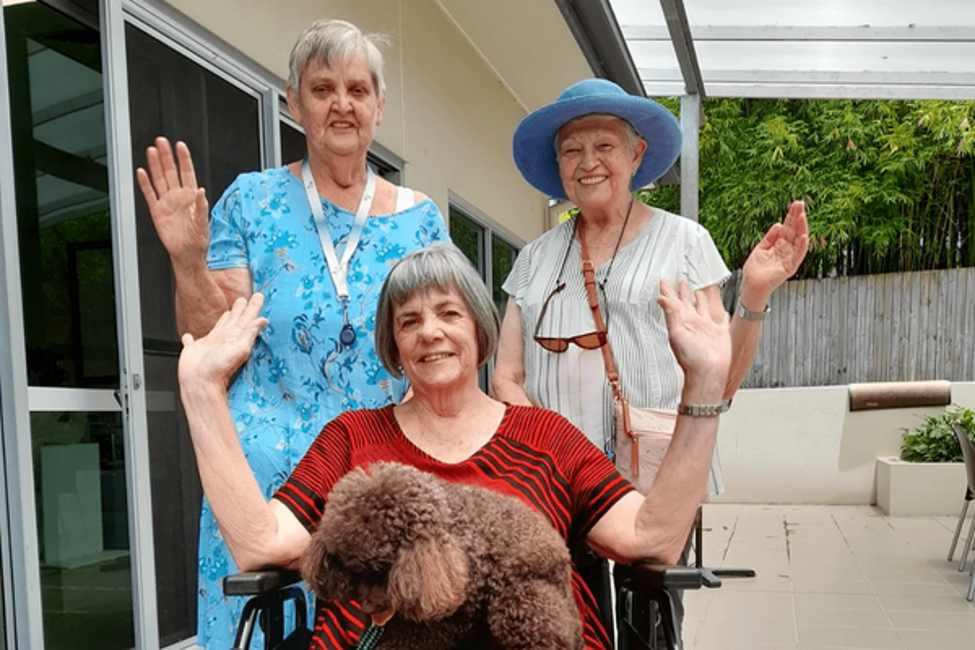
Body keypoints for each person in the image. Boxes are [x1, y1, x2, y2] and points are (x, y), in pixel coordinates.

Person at [176, 242, 733, 650]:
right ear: (393, 346)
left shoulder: (547, 436)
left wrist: (705, 384)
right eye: (408, 321)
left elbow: (651, 537)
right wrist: (202, 392)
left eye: (449, 313)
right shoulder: (352, 438)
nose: (430, 332)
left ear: (480, 331)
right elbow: (260, 544)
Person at [135, 19, 449, 648]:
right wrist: (189, 261)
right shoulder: (251, 202)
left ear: (379, 107)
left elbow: (441, 351)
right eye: (323, 87)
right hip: (263, 476)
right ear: (293, 100)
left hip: (376, 476)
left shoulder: (420, 220)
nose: (342, 104)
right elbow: (213, 339)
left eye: (358, 90)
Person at [491, 78, 809, 646]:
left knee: (651, 622)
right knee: (562, 618)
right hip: (557, 480)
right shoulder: (535, 258)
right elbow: (505, 378)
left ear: (637, 154)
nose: (587, 162)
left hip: (658, 474)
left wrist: (754, 295)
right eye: (571, 149)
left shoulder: (683, 240)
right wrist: (555, 450)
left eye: (604, 146)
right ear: (557, 165)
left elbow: (720, 380)